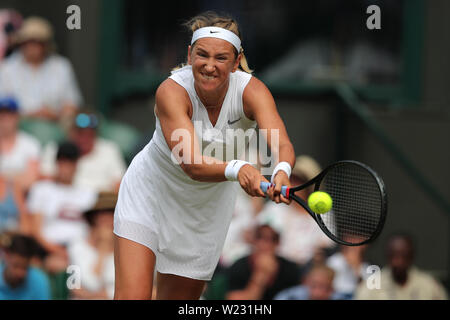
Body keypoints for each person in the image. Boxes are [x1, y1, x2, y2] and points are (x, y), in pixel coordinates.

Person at [113, 12, 296, 300]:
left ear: (236, 61)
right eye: (202, 55)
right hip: (149, 195)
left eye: (221, 58)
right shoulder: (171, 92)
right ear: (189, 55)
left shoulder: (254, 92)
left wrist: (282, 170)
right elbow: (192, 165)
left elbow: (281, 144)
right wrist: (240, 169)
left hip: (205, 211)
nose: (209, 66)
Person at [0, 16, 82, 122]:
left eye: (37, 42)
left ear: (46, 44)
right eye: (28, 42)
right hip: (18, 128)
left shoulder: (61, 66)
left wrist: (54, 114)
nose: (31, 46)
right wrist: (30, 115)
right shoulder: (7, 68)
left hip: (55, 126)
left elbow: (72, 104)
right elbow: (3, 107)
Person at [257, 155, 335, 266]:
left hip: (308, 270)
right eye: (291, 179)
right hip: (277, 267)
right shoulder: (274, 208)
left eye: (298, 180)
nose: (292, 184)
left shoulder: (323, 213)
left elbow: (325, 247)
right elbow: (259, 238)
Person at [27, 141, 97, 259]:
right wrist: (58, 251)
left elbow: (94, 231)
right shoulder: (41, 189)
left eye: (70, 163)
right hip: (48, 249)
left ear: (76, 165)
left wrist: (78, 252)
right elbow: (35, 230)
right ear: (56, 163)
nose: (66, 167)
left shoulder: (89, 194)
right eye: (62, 162)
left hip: (81, 250)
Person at [40, 110, 126, 193]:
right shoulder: (55, 149)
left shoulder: (109, 150)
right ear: (71, 132)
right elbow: (44, 181)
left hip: (101, 204)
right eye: (80, 133)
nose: (85, 138)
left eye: (90, 134)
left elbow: (120, 186)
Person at [354, 234, 448, 300]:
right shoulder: (370, 287)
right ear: (387, 256)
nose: (398, 262)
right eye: (394, 256)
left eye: (404, 256)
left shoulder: (430, 286)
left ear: (411, 256)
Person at [225, 222, 301, 300]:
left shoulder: (290, 269)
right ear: (253, 241)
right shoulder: (239, 266)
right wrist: (261, 274)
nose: (264, 244)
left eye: (272, 239)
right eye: (259, 237)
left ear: (278, 243)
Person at [68, 192, 116, 300]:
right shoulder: (76, 246)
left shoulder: (126, 252)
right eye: (102, 214)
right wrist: (102, 250)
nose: (107, 219)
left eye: (111, 214)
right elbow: (74, 285)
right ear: (94, 218)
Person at [0, 96, 41, 191]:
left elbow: (31, 180)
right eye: (2, 114)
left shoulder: (30, 144)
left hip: (21, 198)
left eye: (10, 114)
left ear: (17, 117)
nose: (6, 119)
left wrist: (3, 179)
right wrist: (17, 176)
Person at [0, 233, 51, 300]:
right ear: (6, 256)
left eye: (25, 268)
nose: (20, 273)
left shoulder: (39, 281)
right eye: (16, 266)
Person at [274, 265, 348, 300]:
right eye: (313, 286)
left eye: (323, 287)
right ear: (305, 282)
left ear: (332, 288)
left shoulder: (340, 297)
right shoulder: (290, 296)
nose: (317, 293)